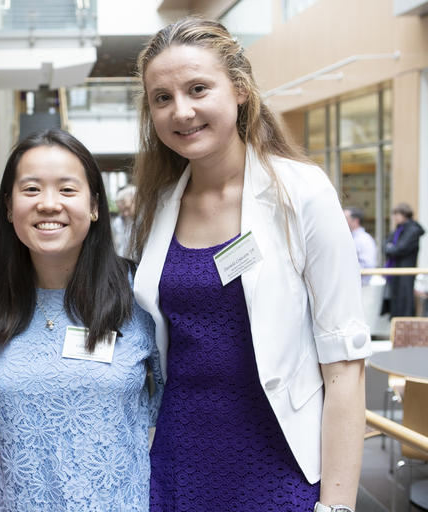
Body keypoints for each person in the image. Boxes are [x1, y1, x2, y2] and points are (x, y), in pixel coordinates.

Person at [131, 18, 371, 512]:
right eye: (162, 97)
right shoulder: (159, 203)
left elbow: (345, 366)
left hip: (277, 467)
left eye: (199, 88)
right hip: (176, 464)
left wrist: (338, 506)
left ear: (239, 89)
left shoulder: (300, 191)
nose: (182, 110)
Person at [0, 129, 162, 511]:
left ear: (94, 205)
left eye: (67, 190)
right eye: (31, 189)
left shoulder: (140, 292)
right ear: (9, 207)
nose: (49, 204)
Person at [382, 202, 425, 317]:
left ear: (405, 215)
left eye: (398, 214)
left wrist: (390, 248)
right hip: (395, 271)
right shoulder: (398, 230)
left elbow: (399, 249)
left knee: (404, 302)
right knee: (395, 303)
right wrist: (390, 248)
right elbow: (385, 245)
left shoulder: (412, 230)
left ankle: (405, 331)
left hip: (405, 272)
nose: (395, 217)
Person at [343, 206, 377, 284]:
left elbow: (368, 265)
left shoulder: (363, 239)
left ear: (355, 221)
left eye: (345, 219)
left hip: (360, 286)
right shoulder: (352, 238)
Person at [111, 184, 136, 258]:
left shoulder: (145, 221)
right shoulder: (117, 222)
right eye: (121, 210)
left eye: (127, 208)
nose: (125, 214)